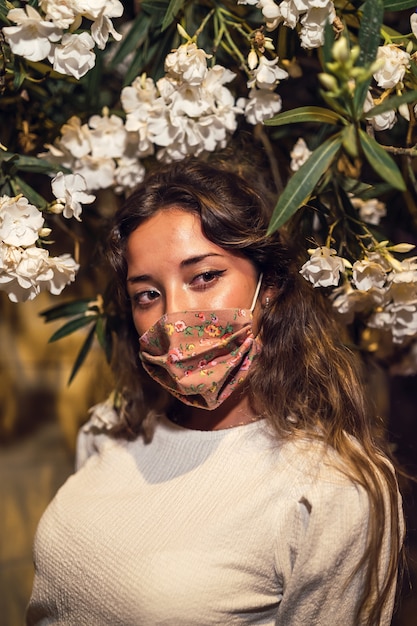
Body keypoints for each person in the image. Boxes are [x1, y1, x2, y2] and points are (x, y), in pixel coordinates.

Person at [26, 157, 404, 625]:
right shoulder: (109, 430)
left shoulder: (332, 490)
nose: (174, 315)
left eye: (204, 277)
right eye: (147, 294)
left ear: (270, 287)